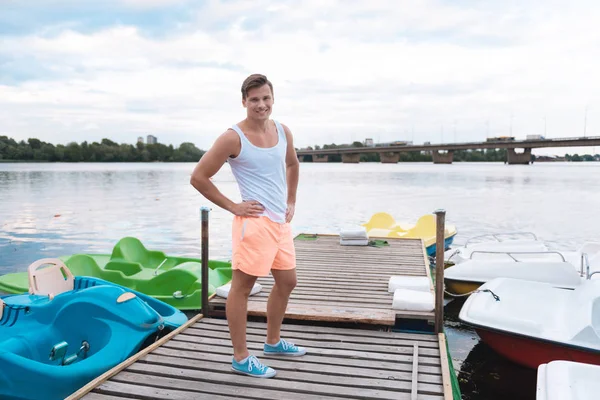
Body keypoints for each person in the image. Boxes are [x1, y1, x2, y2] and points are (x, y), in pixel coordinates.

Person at [190, 74, 305, 378]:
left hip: (280, 222)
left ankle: (273, 341)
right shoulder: (233, 137)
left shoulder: (283, 131)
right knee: (242, 288)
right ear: (244, 102)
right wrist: (233, 206)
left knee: (287, 281)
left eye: (266, 98)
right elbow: (199, 177)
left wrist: (291, 200)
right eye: (254, 99)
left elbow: (292, 164)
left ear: (272, 99)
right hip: (254, 224)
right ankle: (241, 357)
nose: (261, 104)